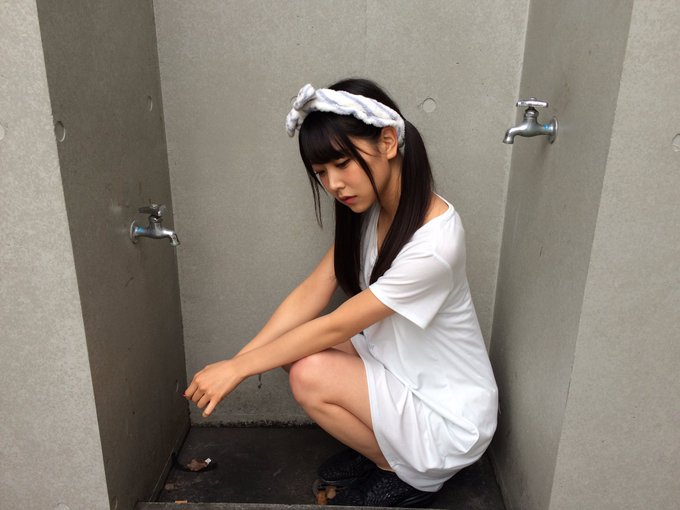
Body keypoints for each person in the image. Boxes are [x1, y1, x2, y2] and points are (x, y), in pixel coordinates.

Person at [184, 78, 498, 507]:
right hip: (400, 365)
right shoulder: (371, 208)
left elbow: (334, 326)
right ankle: (386, 446)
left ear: (388, 142)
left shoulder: (435, 244)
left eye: (342, 163)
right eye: (321, 173)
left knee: (308, 372)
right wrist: (238, 362)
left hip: (447, 413)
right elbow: (314, 288)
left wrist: (237, 370)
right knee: (288, 347)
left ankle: (403, 472)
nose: (333, 184)